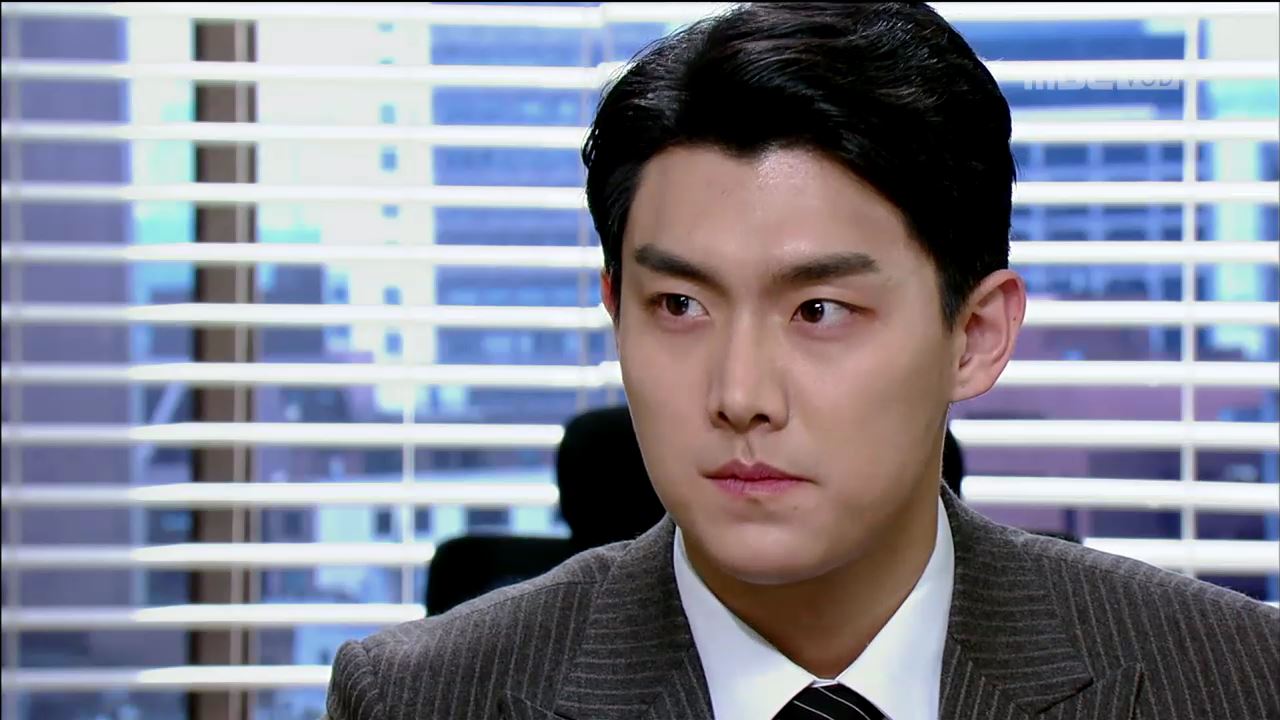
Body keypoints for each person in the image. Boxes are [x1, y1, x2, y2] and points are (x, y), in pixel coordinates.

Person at [322, 4, 1279, 719]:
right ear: (615, 313)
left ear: (977, 335)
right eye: (680, 306)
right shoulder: (417, 700)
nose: (741, 395)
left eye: (819, 310)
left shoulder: (1234, 679)